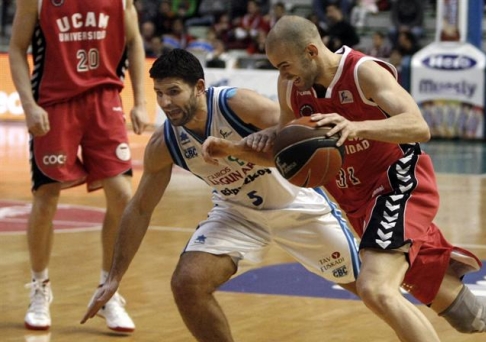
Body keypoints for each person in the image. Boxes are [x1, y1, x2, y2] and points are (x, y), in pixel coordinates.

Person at [208, 15, 486, 342]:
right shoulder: (292, 85)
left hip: (398, 185)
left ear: (311, 51)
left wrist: (357, 127)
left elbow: (418, 126)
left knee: (375, 289)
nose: (282, 74)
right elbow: (289, 152)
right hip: (358, 203)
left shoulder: (362, 72)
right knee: (465, 313)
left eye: (284, 65)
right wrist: (237, 149)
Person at [80, 48, 361, 341]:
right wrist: (114, 278)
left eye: (173, 92)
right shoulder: (164, 143)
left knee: (372, 290)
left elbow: (298, 132)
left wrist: (265, 138)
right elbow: (139, 209)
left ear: (199, 87)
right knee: (187, 284)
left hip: (297, 207)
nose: (165, 102)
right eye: (159, 93)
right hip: (236, 214)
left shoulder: (237, 104)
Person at [8, 0, 149, 332]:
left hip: (104, 100)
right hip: (55, 103)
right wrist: (28, 105)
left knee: (121, 195)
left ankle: (108, 291)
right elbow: (16, 48)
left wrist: (141, 101)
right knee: (47, 197)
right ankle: (40, 288)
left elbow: (134, 41)